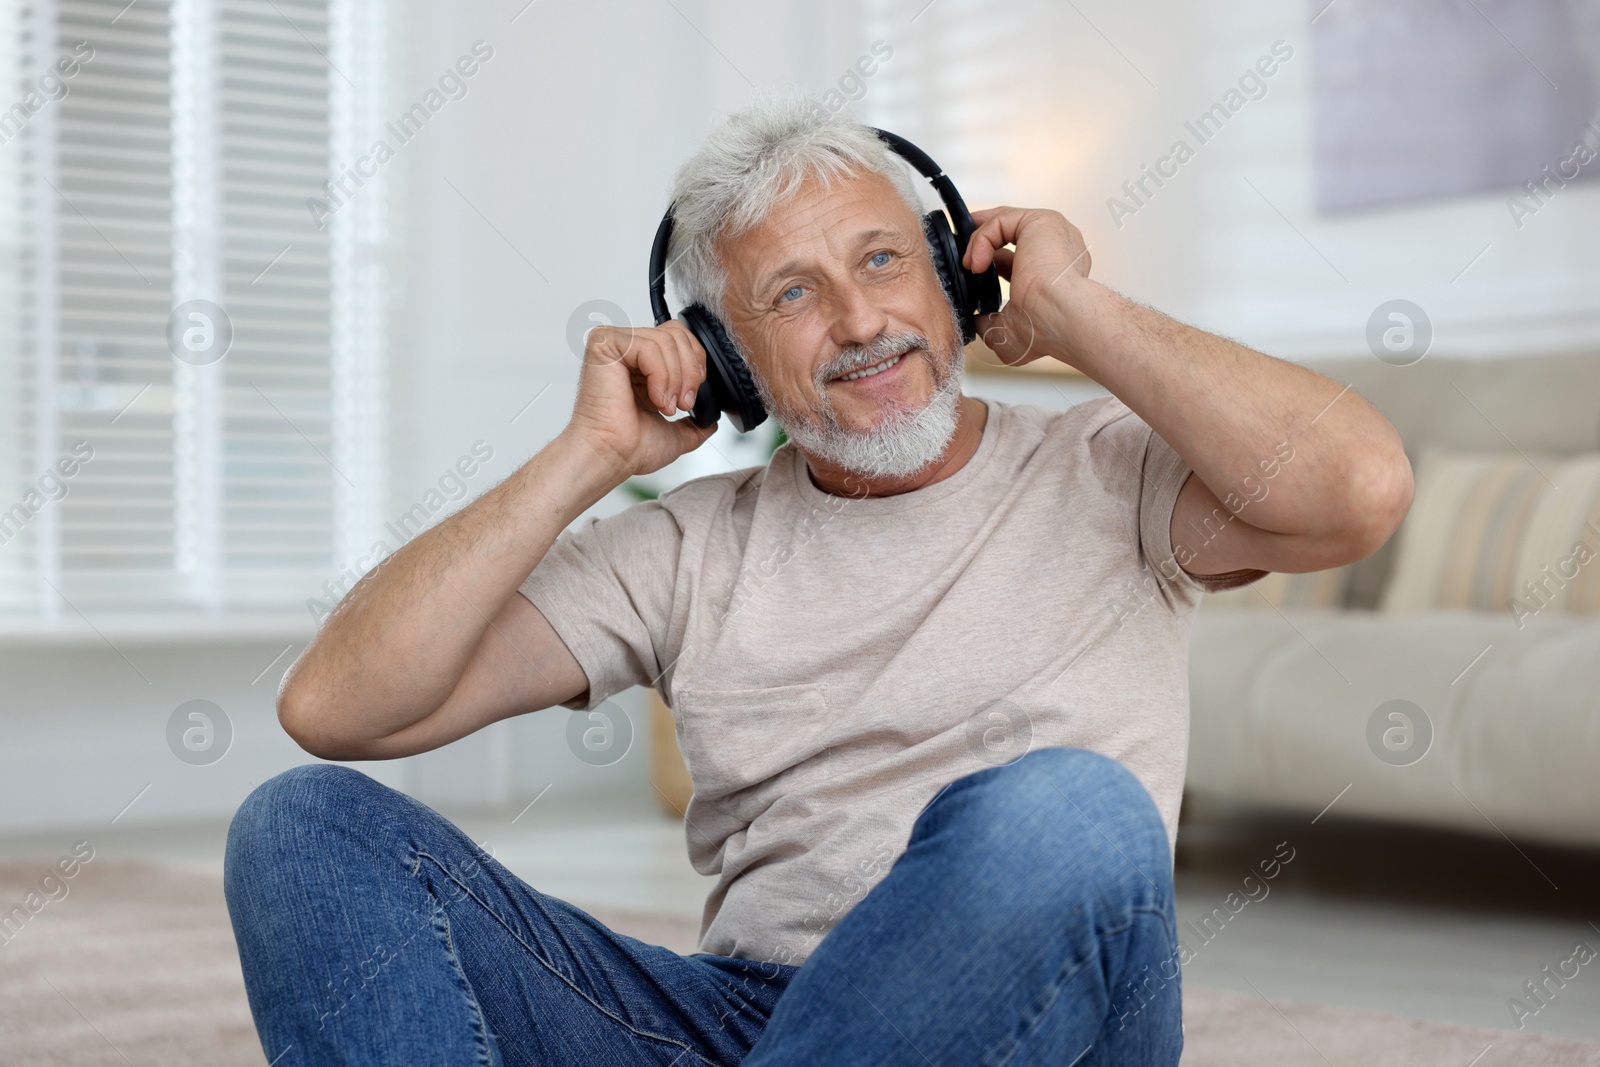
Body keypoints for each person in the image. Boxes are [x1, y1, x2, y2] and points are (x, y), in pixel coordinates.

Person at [223, 93, 1413, 1066]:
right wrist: (589, 454)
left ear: (953, 279)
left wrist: (1072, 308)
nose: (859, 320)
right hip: (750, 1021)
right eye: (791, 293)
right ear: (728, 358)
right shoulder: (688, 548)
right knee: (304, 826)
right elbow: (339, 707)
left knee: (1068, 808)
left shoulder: (1111, 468)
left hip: (1048, 1020)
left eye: (886, 260)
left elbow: (1357, 491)